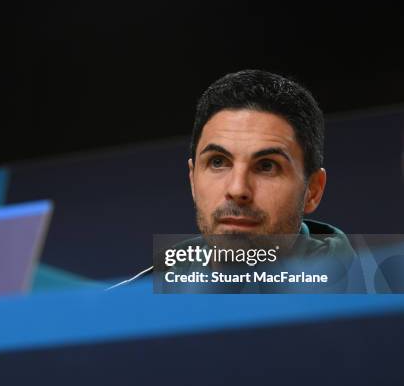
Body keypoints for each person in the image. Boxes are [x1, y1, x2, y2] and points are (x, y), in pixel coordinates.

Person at [109, 69, 355, 291]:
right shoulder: (123, 310)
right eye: (218, 162)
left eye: (267, 166)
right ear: (193, 180)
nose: (238, 189)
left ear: (312, 190)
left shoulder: (378, 307)